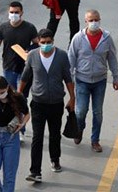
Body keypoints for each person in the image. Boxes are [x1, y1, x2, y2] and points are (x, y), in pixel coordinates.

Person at [19, 28, 75, 183]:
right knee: (37, 136)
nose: (45, 45)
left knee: (54, 133)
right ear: (38, 41)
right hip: (38, 103)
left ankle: (55, 159)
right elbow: (25, 77)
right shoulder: (32, 56)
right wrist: (18, 95)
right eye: (42, 43)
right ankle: (35, 171)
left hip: (56, 103)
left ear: (53, 42)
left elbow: (68, 78)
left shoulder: (62, 56)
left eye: (48, 43)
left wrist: (72, 98)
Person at [67, 9, 118, 153]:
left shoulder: (107, 38)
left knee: (98, 112)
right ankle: (79, 130)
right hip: (82, 80)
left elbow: (112, 58)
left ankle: (95, 140)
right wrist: (69, 80)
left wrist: (116, 77)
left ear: (100, 20)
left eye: (96, 20)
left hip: (100, 81)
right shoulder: (78, 38)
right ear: (86, 22)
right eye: (91, 20)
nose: (94, 23)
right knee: (81, 111)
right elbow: (71, 59)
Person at [0, 76, 30, 192]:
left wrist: (22, 124)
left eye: (2, 92)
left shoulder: (17, 97)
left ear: (7, 87)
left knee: (9, 176)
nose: (0, 95)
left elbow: (27, 114)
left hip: (11, 137)